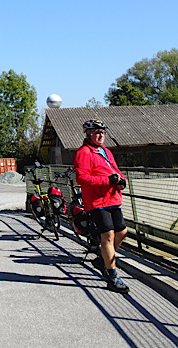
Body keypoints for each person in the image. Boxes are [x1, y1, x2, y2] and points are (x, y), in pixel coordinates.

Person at [73, 119, 130, 294]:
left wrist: (121, 181)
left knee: (122, 232)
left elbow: (115, 170)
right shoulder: (83, 153)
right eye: (97, 132)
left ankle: (101, 259)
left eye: (102, 132)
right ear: (88, 134)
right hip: (97, 201)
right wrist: (107, 181)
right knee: (108, 235)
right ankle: (112, 276)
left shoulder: (105, 151)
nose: (101, 135)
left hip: (113, 198)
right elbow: (82, 178)